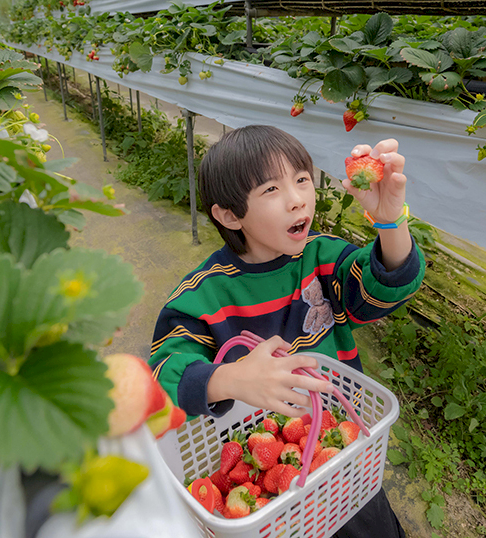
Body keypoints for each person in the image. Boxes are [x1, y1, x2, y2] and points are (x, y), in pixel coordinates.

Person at [150, 125, 424, 537]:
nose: (298, 199)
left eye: (301, 180)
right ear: (229, 214)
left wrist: (390, 223)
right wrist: (228, 378)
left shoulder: (321, 256)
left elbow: (381, 290)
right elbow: (161, 376)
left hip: (339, 447)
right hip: (262, 469)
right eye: (271, 190)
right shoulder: (203, 295)